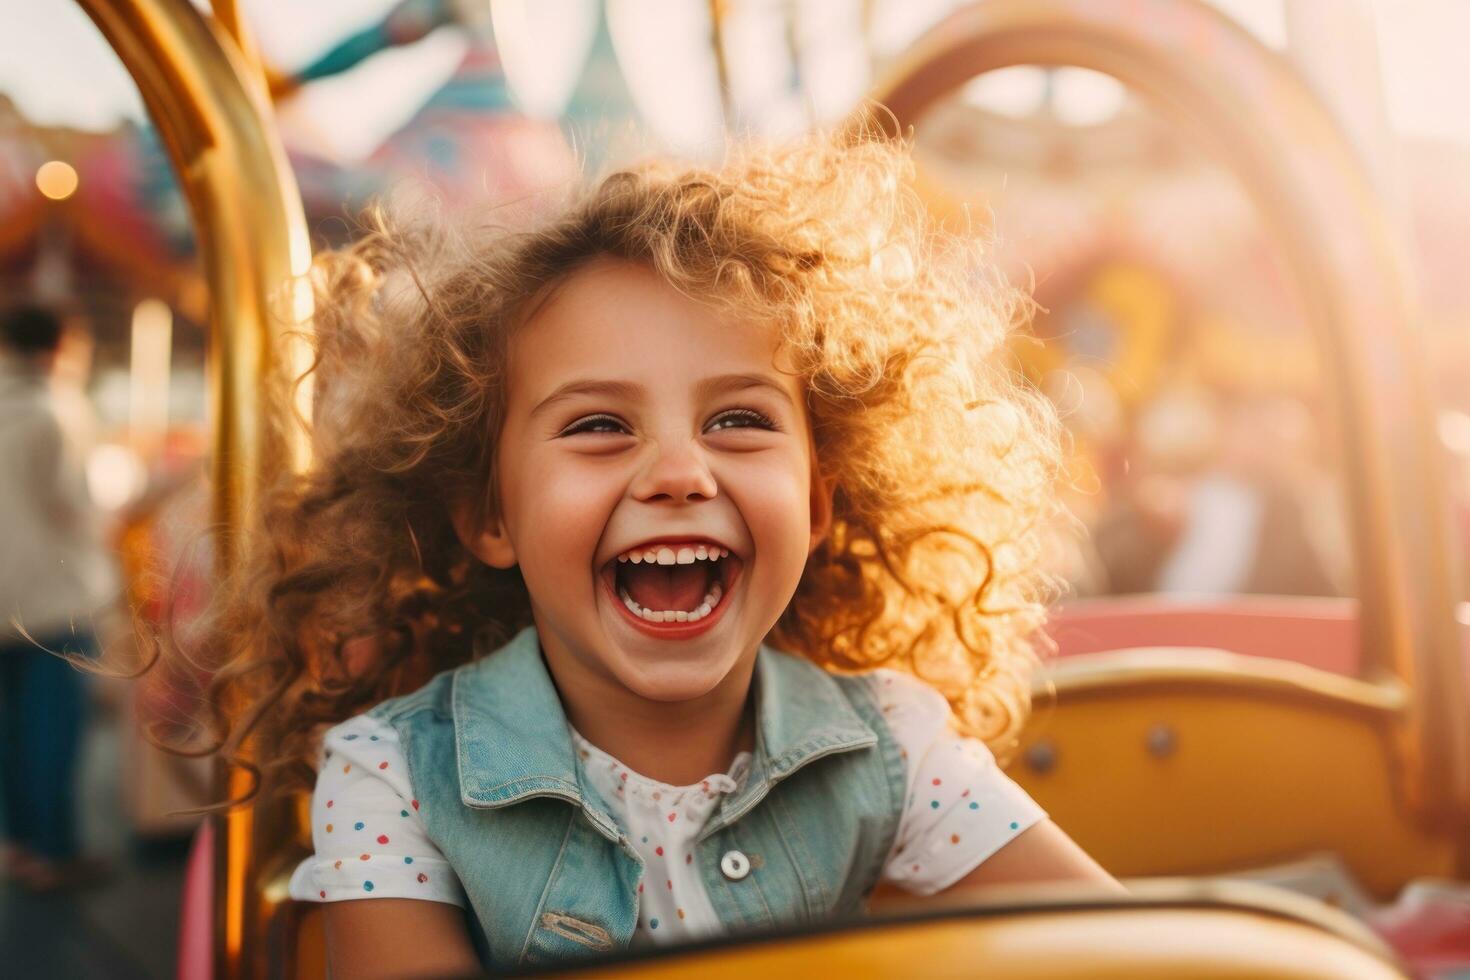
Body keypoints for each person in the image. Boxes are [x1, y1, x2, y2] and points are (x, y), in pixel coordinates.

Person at [182, 133, 1119, 976]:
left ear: (819, 498)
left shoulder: (890, 747)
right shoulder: (392, 777)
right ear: (490, 515)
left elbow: (1122, 947)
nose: (679, 472)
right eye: (597, 425)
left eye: (739, 420)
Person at [0, 303, 115, 890]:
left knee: (11, 730)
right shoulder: (58, 410)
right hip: (51, 600)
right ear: (63, 344)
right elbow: (79, 507)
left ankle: (20, 845)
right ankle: (53, 851)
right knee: (53, 728)